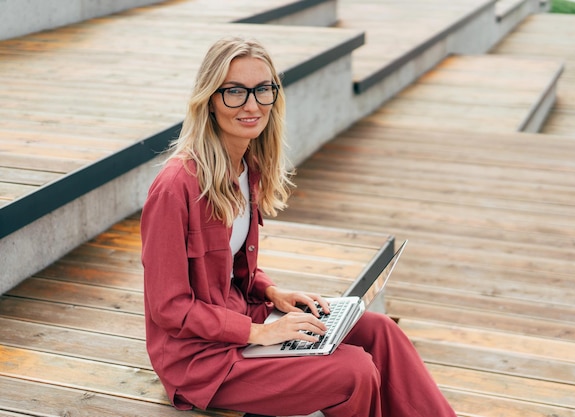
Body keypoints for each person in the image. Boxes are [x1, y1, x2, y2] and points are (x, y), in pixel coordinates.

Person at [141, 36, 456, 417]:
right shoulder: (176, 187)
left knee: (380, 332)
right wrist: (257, 333)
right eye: (235, 91)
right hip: (201, 362)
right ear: (209, 99)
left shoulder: (247, 167)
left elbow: (233, 271)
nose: (252, 105)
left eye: (263, 90)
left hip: (243, 318)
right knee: (354, 372)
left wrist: (272, 292)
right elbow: (169, 307)